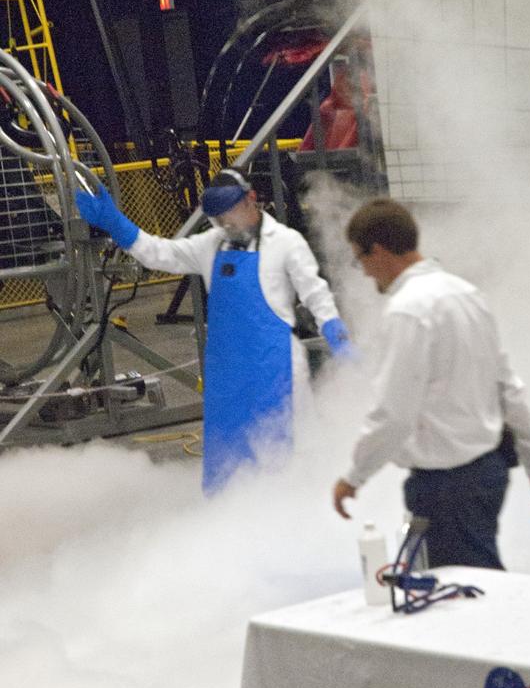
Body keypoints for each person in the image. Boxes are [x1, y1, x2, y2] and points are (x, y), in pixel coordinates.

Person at [76, 168, 352, 493]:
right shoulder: (211, 245)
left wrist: (336, 331)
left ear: (250, 200)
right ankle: (229, 521)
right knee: (229, 460)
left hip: (275, 371)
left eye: (229, 215)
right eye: (218, 219)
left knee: (290, 450)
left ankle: (296, 514)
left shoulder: (286, 244)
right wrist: (117, 224)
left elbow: (315, 292)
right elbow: (160, 254)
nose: (225, 225)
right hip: (227, 376)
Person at [332, 197, 530, 568]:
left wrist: (354, 476)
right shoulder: (468, 295)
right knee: (469, 587)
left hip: (447, 486)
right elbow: (509, 389)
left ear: (378, 251)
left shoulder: (408, 311)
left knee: (464, 599)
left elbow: (394, 413)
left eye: (360, 259)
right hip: (488, 474)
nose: (363, 272)